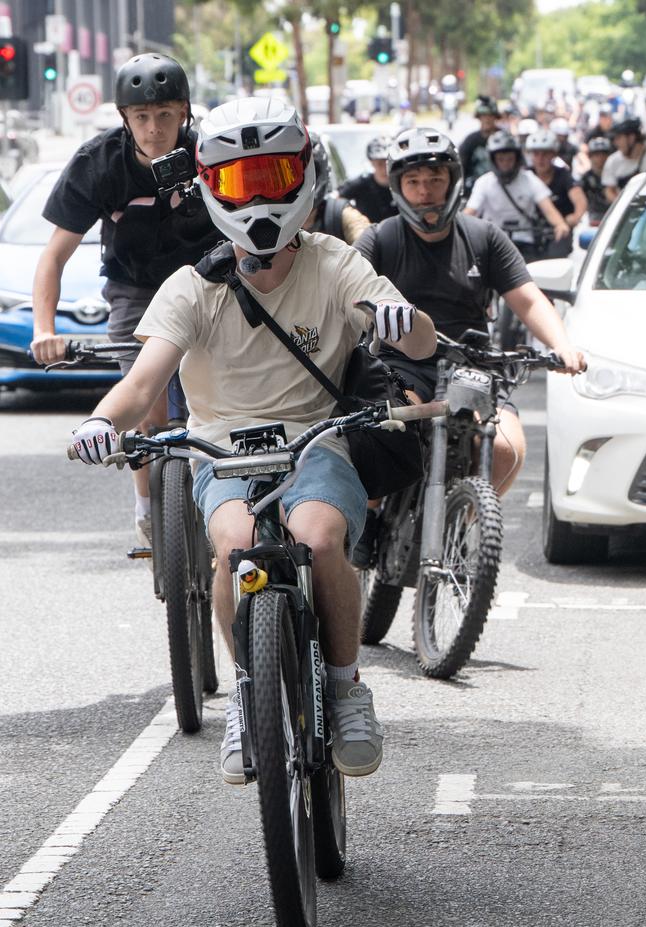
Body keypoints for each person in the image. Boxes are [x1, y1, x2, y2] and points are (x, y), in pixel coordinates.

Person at [69, 97, 437, 783]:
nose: (261, 198)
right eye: (242, 182)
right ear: (210, 186)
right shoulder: (191, 287)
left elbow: (416, 336)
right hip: (224, 454)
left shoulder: (334, 263)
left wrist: (398, 318)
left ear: (302, 177)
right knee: (235, 547)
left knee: (322, 539)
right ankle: (246, 696)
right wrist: (100, 421)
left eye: (273, 177)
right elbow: (143, 383)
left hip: (316, 443)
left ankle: (349, 686)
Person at [352, 129, 584, 566]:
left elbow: (530, 298)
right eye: (414, 182)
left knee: (505, 448)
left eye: (435, 180)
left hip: (471, 365)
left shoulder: (484, 237)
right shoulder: (380, 239)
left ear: (454, 180)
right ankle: (370, 514)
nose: (425, 193)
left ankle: (464, 520)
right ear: (399, 187)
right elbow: (344, 299)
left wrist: (563, 346)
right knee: (386, 429)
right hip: (402, 364)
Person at [31, 52, 223, 549]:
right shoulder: (97, 165)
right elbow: (54, 256)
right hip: (135, 289)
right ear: (124, 118)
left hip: (211, 282)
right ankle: (146, 505)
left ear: (185, 113)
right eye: (141, 117)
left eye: (165, 115)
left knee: (227, 395)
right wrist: (43, 330)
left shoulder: (212, 156)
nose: (154, 128)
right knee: (147, 401)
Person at [464, 131, 570, 263]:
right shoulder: (484, 182)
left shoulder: (530, 179)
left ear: (517, 158)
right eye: (501, 159)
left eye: (510, 159)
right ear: (493, 159)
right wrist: (459, 229)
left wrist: (560, 225)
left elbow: (548, 208)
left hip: (524, 242)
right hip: (491, 242)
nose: (505, 163)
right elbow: (471, 212)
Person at [525, 129, 587, 257]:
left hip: (558, 232)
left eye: (545, 154)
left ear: (554, 155)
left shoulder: (563, 175)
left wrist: (574, 218)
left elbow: (580, 200)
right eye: (536, 154)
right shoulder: (525, 176)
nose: (540, 159)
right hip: (528, 232)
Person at [303, 132, 370, 243]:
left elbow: (363, 235)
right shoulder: (274, 219)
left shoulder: (341, 214)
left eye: (312, 173)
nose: (304, 181)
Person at [337, 135, 399, 223]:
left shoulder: (403, 183)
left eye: (388, 163)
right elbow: (336, 202)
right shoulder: (360, 183)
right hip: (366, 232)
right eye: (380, 164)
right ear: (372, 163)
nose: (385, 169)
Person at [458, 95, 501, 196]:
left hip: (501, 188)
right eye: (483, 116)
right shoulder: (470, 141)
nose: (487, 119)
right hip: (475, 190)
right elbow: (460, 168)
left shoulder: (505, 138)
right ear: (479, 117)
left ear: (495, 117)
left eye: (490, 116)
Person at [602, 118, 646, 203]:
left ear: (631, 137)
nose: (616, 143)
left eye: (619, 138)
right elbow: (609, 190)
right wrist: (622, 204)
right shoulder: (613, 161)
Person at [580, 136, 612, 225]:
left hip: (613, 213)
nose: (601, 158)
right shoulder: (585, 178)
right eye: (597, 155)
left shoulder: (615, 175)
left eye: (604, 154)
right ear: (590, 156)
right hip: (593, 217)